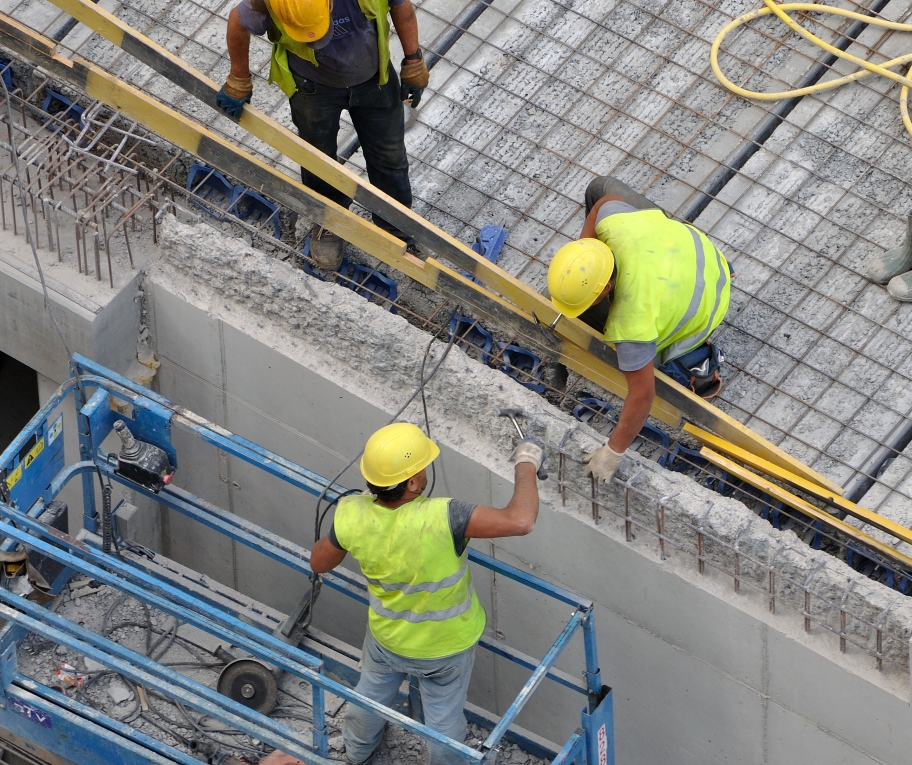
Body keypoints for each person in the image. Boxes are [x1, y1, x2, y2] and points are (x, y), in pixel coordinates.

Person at [309, 422, 544, 765]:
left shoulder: (351, 514)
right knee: (444, 721)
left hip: (388, 638)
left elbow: (318, 562)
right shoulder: (445, 516)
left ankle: (356, 754)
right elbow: (521, 520)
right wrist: (527, 461)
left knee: (369, 700)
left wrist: (351, 523)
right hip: (446, 647)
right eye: (420, 467)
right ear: (413, 483)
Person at [217, 0, 429, 270]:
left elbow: (402, 7)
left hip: (374, 80)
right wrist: (239, 77)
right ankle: (329, 223)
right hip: (313, 88)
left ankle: (396, 233)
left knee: (389, 157)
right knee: (317, 160)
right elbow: (237, 20)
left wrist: (413, 60)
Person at [547, 176, 732, 484]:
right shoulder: (613, 222)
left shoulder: (631, 321)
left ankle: (694, 362)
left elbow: (643, 394)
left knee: (585, 325)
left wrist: (613, 451)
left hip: (707, 308)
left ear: (606, 286)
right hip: (699, 254)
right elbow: (601, 205)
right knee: (599, 187)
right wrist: (586, 250)